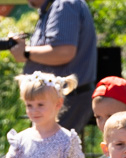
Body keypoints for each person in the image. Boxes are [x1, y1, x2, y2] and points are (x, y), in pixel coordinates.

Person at [9, 0, 97, 135]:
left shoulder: (64, 4)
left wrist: (26, 53)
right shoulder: (54, 7)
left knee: (54, 153)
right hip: (55, 101)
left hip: (66, 100)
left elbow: (64, 52)